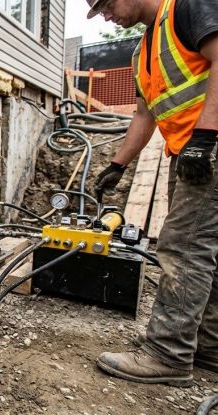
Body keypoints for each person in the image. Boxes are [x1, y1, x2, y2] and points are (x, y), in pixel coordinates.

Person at [87, 0, 218, 385]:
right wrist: (118, 165)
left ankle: (168, 353)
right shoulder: (143, 51)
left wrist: (206, 136)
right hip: (187, 150)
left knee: (183, 247)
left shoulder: (187, 8)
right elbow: (145, 115)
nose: (107, 15)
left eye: (107, 4)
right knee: (206, 248)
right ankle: (208, 344)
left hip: (207, 146)